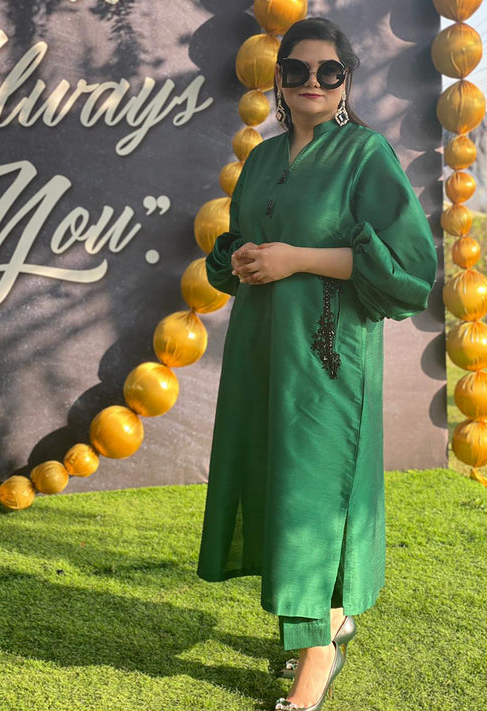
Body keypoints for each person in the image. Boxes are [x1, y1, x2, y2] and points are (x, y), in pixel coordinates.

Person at [197, 17, 438, 711]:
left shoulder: (364, 153)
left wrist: (295, 258)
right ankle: (326, 621)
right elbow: (242, 243)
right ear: (278, 80)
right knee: (277, 480)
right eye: (297, 70)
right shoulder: (262, 159)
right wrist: (245, 257)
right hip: (262, 349)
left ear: (345, 81)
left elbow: (408, 269)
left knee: (312, 491)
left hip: (328, 355)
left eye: (328, 71)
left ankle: (317, 654)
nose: (312, 82)